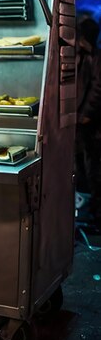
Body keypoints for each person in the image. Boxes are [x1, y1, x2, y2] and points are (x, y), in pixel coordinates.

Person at [76, 15, 101, 228]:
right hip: (80, 123)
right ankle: (86, 212)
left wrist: (86, 113)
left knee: (92, 168)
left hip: (91, 126)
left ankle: (95, 215)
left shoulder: (94, 58)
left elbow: (96, 90)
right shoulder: (83, 55)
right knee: (82, 168)